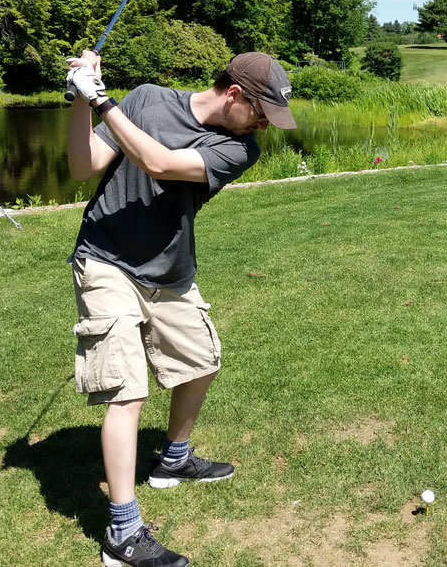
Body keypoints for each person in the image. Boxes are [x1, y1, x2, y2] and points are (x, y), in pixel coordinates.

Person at [64, 49, 295, 567]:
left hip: (169, 269)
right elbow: (85, 166)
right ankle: (123, 533)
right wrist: (80, 99)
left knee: (202, 360)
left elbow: (160, 163)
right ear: (235, 94)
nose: (264, 126)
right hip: (105, 260)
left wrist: (101, 99)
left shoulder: (238, 148)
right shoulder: (146, 101)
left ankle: (174, 459)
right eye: (261, 113)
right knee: (127, 390)